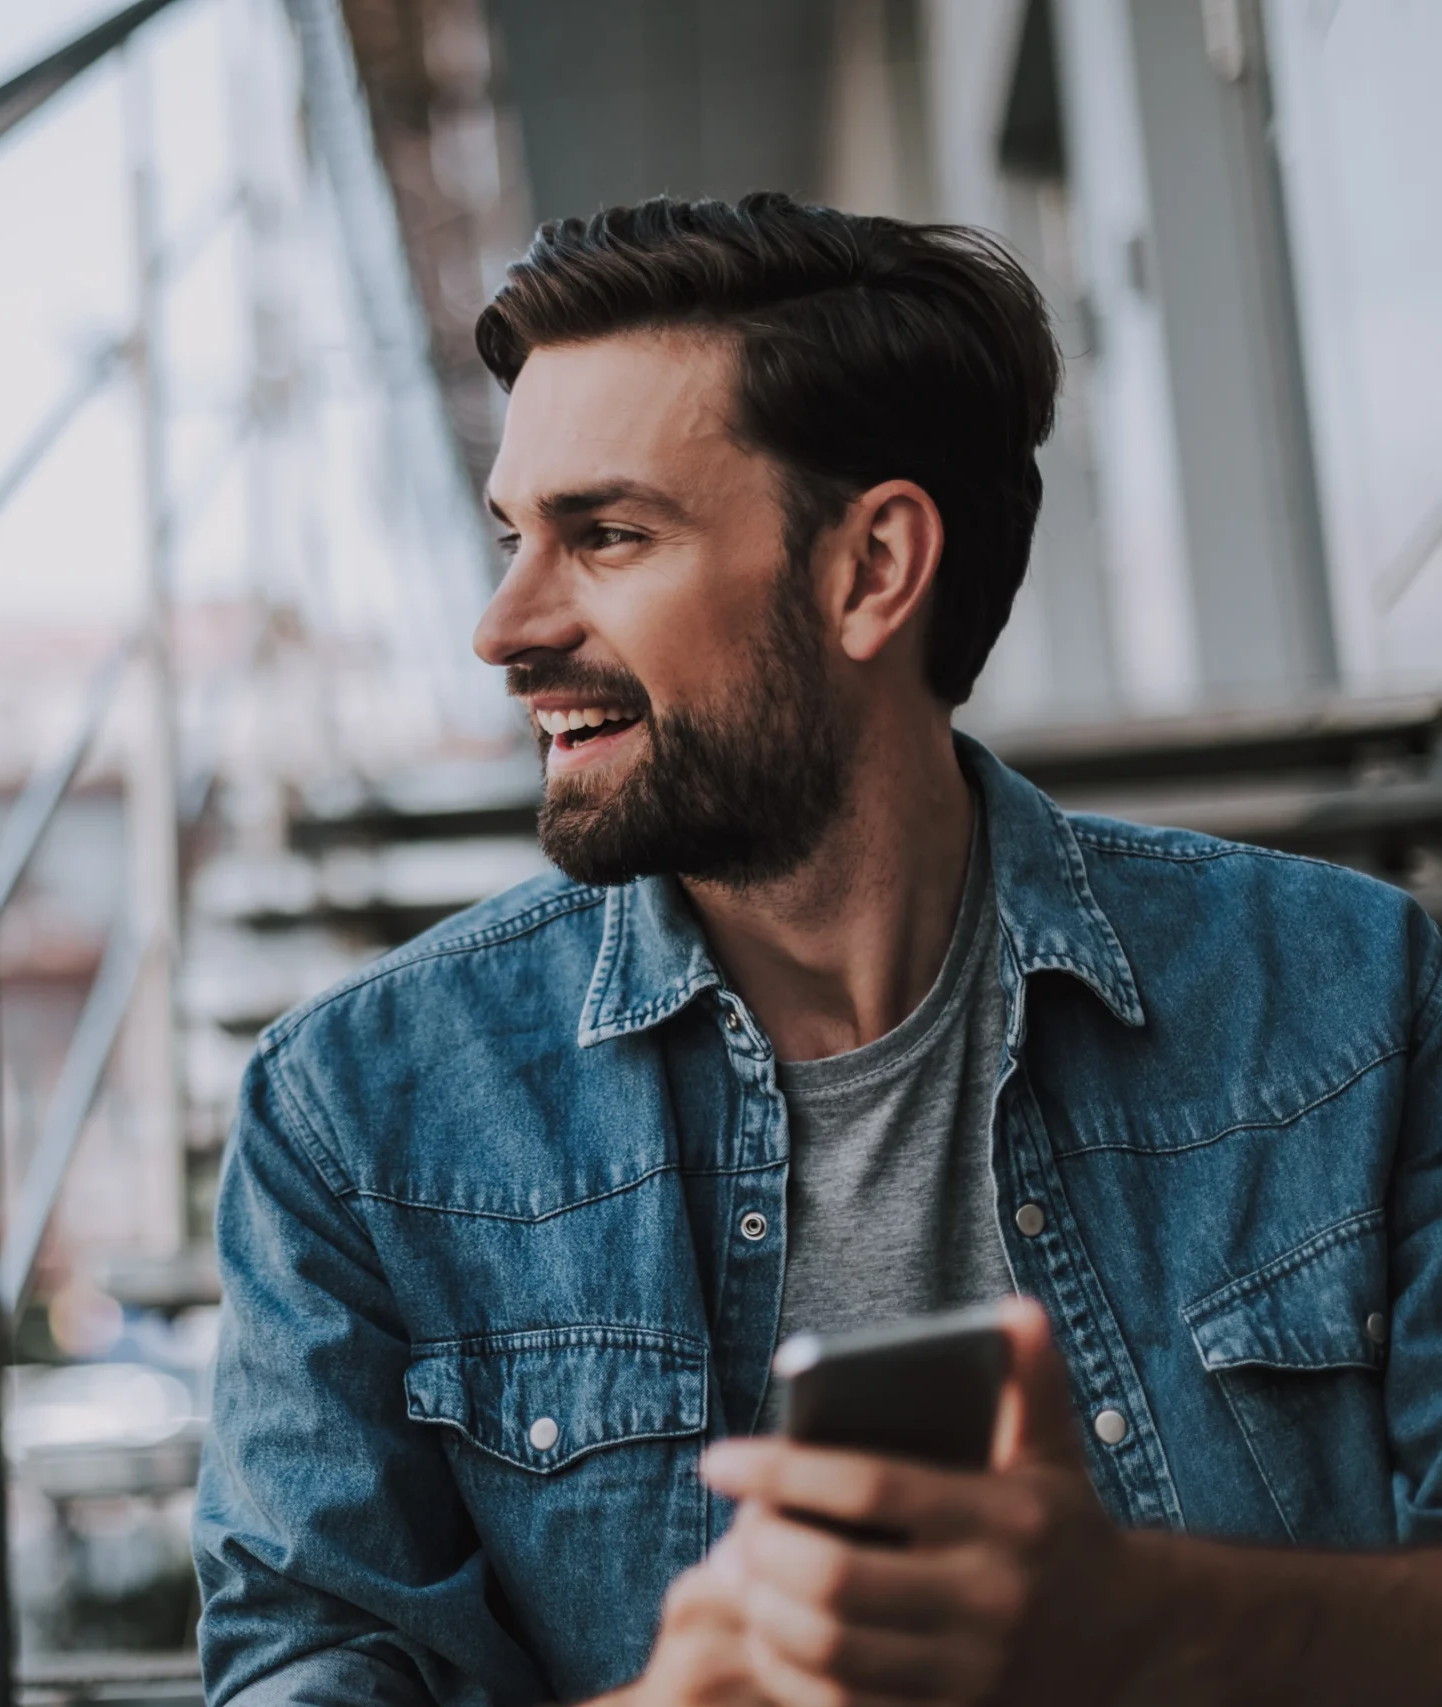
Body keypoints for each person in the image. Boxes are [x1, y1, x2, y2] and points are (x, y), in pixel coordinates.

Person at [191, 192, 1442, 1707]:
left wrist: (1144, 1622)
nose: (503, 625)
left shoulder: (1358, 999)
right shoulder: (357, 1114)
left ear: (871, 569)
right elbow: (306, 1671)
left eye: (606, 535)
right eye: (513, 535)